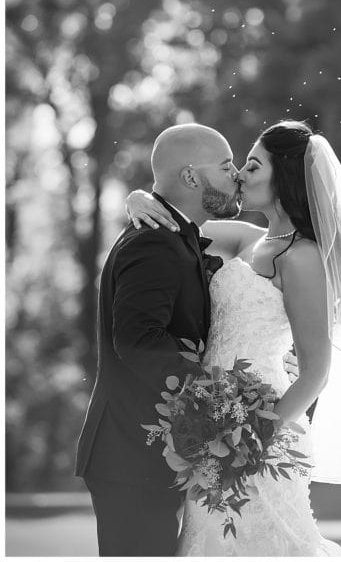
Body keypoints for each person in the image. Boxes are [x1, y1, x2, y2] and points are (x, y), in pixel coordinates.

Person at [126, 120, 341, 555]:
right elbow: (177, 219)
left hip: (260, 433)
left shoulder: (304, 257)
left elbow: (315, 372)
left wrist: (250, 440)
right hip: (211, 428)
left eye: (252, 166)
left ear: (284, 177)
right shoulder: (245, 240)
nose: (238, 175)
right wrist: (139, 197)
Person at [75, 124, 243, 556]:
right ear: (191, 177)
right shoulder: (156, 241)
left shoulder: (173, 235)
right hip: (131, 455)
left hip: (149, 455)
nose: (236, 175)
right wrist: (217, 397)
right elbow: (137, 341)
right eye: (226, 167)